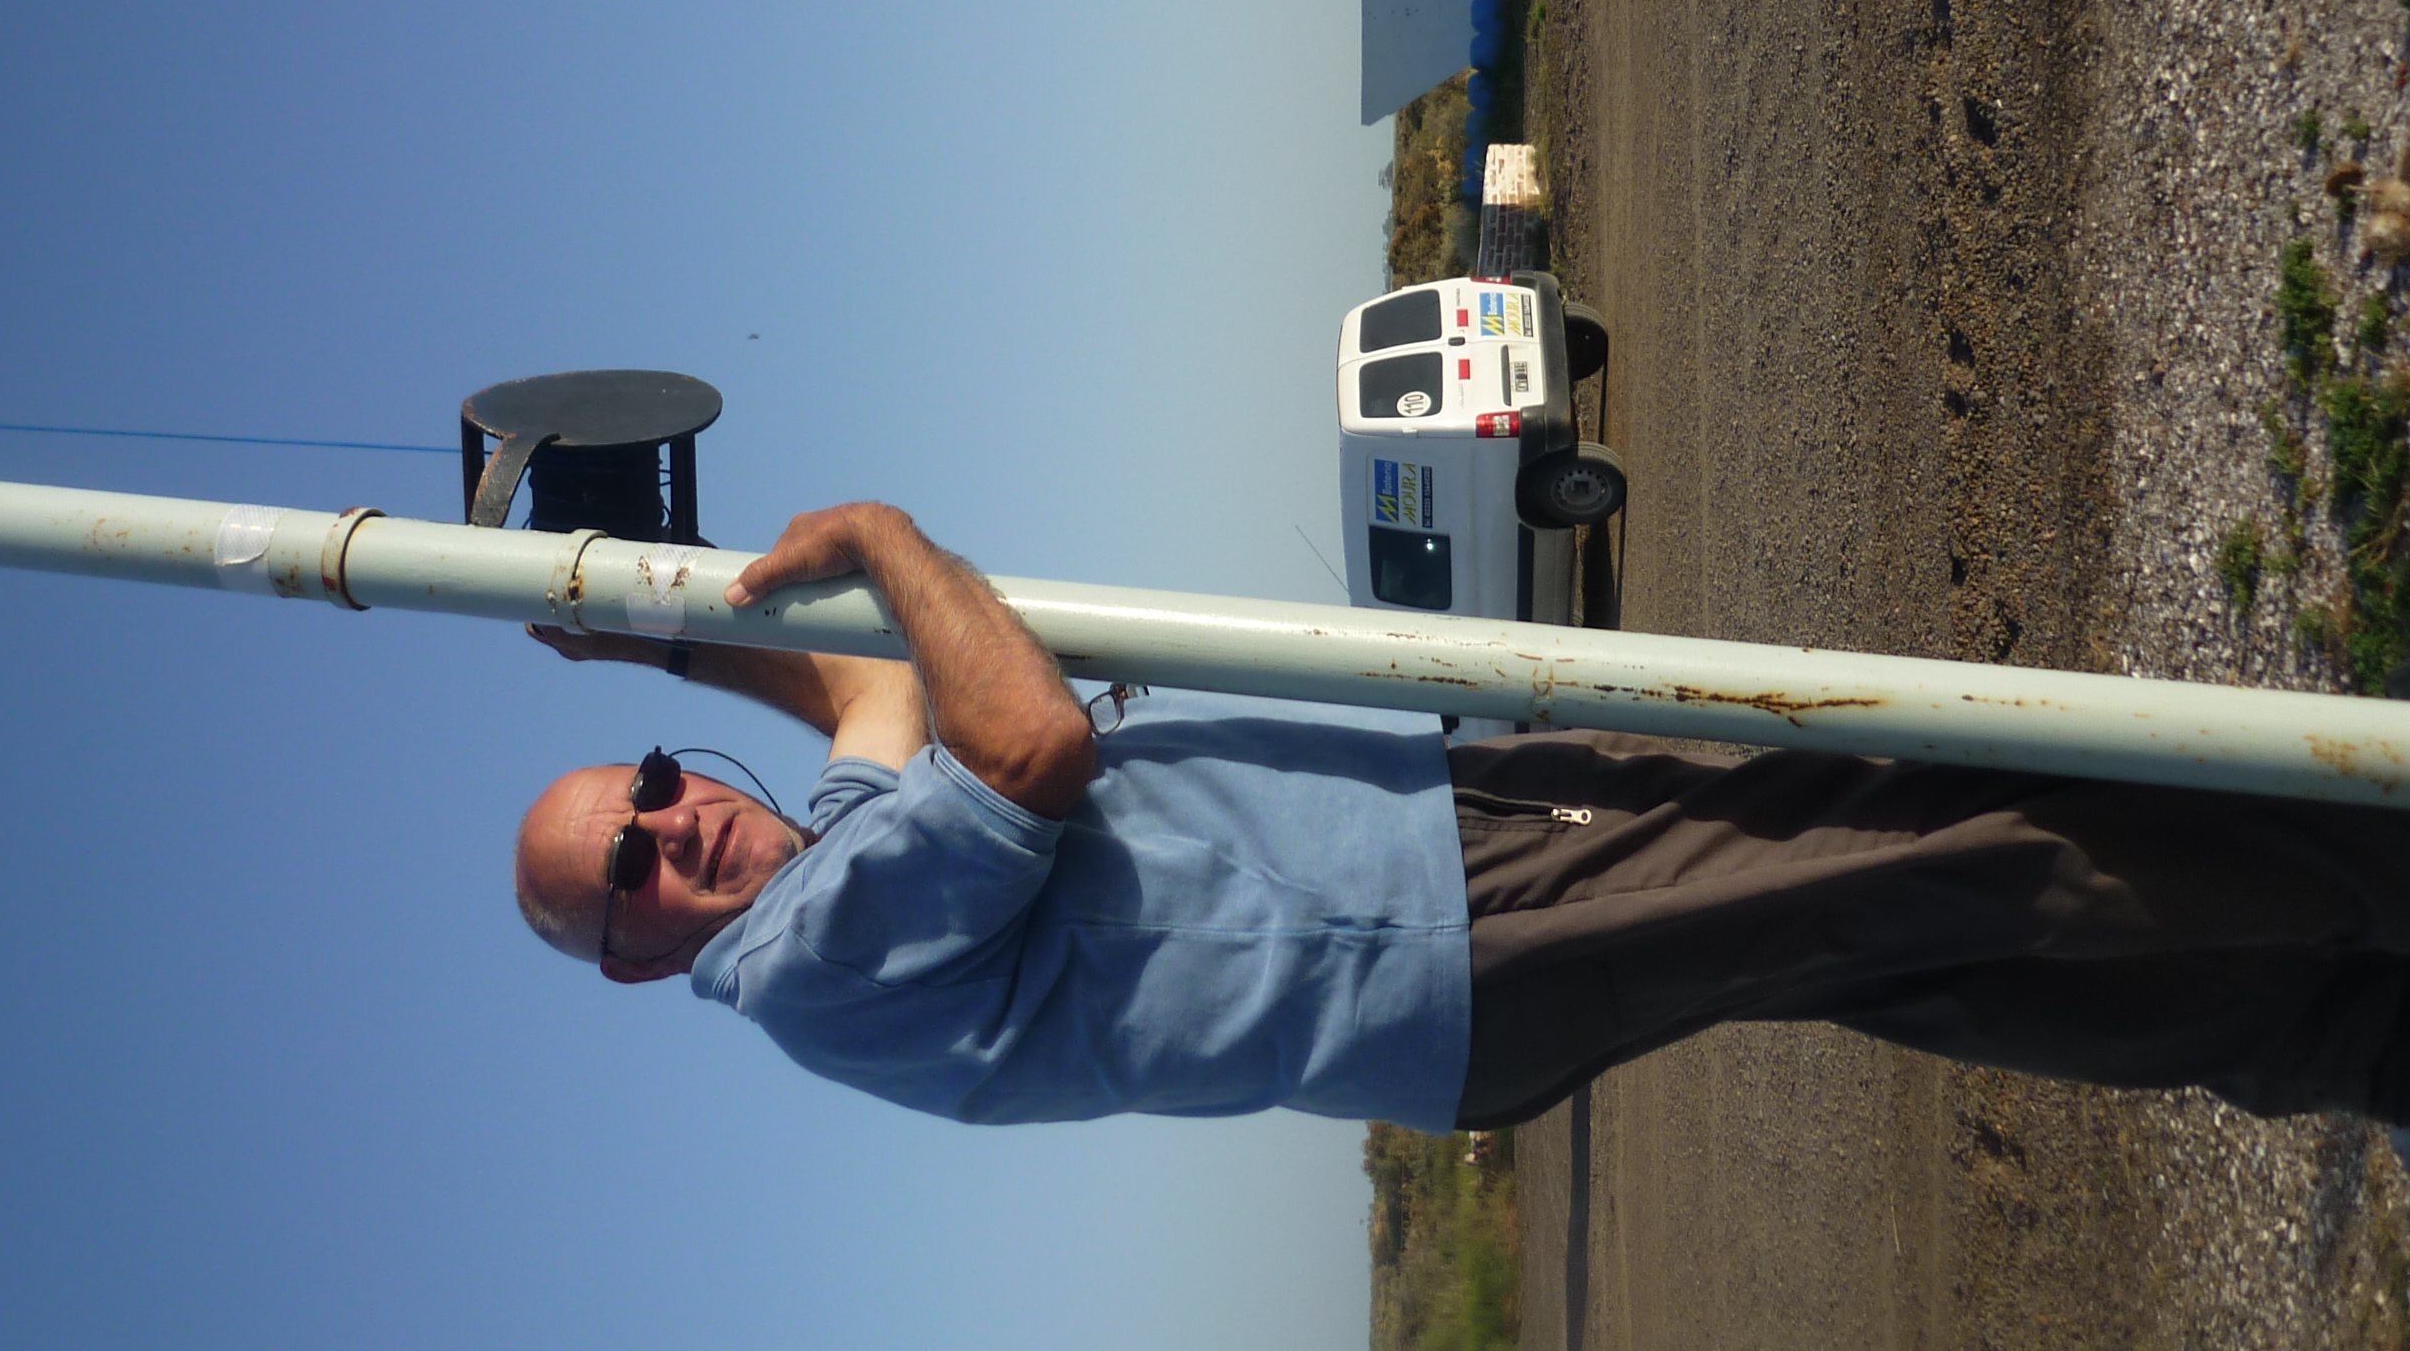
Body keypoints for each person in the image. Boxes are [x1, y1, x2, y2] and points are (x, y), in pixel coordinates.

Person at [513, 502, 2410, 1132]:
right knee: (1926, 853)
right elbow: (1020, 747)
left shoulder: (830, 871)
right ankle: (2374, 871)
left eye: (657, 801)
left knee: (1904, 931)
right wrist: (872, 533)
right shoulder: (813, 966)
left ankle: (2344, 1031)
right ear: (630, 958)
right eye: (629, 868)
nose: (672, 834)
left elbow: (879, 698)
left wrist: (662, 653)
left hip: (1428, 858)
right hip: (1428, 935)